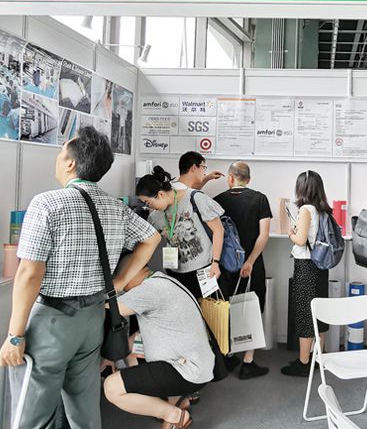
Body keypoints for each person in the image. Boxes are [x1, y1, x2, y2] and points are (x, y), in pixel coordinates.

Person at [0, 126, 160, 429]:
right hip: (93, 319)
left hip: (53, 321)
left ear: (71, 163)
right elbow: (151, 238)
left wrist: (15, 335)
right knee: (83, 409)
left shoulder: (47, 203)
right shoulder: (115, 207)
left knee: (32, 413)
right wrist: (120, 281)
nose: (58, 158)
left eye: (61, 152)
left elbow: (29, 273)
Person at [104, 266, 214, 429]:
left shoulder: (150, 289)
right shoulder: (162, 280)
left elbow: (108, 310)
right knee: (132, 347)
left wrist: (113, 286)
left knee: (111, 387)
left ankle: (174, 415)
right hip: (198, 365)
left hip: (186, 371)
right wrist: (109, 357)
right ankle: (177, 401)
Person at [214, 161, 272, 379]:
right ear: (248, 179)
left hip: (224, 265)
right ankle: (248, 361)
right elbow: (264, 235)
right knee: (253, 308)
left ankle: (228, 355)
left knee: (225, 308)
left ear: (230, 178)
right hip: (251, 265)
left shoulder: (217, 200)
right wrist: (250, 261)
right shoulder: (260, 199)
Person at [136, 165, 224, 300]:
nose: (149, 207)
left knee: (209, 311)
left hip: (204, 269)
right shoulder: (155, 216)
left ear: (160, 194)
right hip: (176, 273)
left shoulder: (195, 198)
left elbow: (218, 230)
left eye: (148, 203)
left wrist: (215, 262)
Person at [281, 170, 331, 377]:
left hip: (306, 266)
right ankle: (318, 359)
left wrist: (290, 234)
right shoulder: (324, 209)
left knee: (304, 314)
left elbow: (301, 240)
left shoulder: (306, 210)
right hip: (321, 266)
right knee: (319, 313)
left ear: (301, 188)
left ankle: (303, 363)